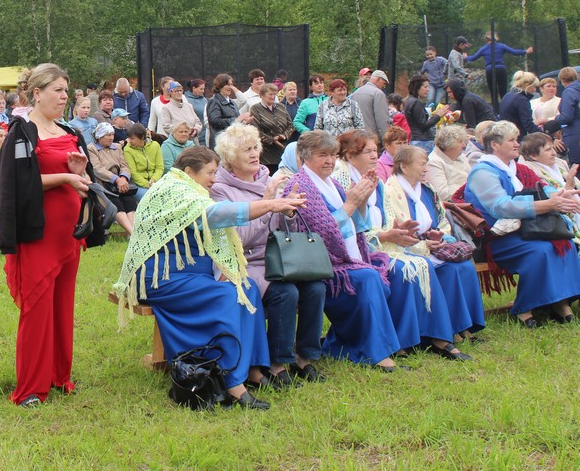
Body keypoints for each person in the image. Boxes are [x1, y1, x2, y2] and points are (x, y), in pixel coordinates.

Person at [113, 147, 306, 409]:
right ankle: (231, 381)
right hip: (162, 278)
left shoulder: (191, 191)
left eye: (216, 172)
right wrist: (270, 204)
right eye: (210, 173)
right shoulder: (173, 189)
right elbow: (215, 215)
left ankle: (251, 368)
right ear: (189, 172)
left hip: (189, 274)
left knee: (245, 288)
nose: (214, 179)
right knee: (227, 297)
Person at [0, 64, 99, 407]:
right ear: (36, 93)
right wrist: (64, 179)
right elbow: (15, 184)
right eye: (57, 90)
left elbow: (86, 178)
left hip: (69, 234)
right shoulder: (22, 133)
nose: (63, 96)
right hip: (38, 232)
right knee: (37, 308)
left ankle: (59, 375)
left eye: (66, 91)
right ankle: (31, 387)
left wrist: (78, 174)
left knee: (62, 307)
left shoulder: (69, 130)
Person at [210, 124, 327, 387]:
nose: (254, 154)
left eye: (255, 148)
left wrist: (289, 213)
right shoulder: (220, 190)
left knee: (316, 287)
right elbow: (238, 241)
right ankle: (275, 364)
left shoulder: (269, 178)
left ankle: (304, 357)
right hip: (244, 262)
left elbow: (286, 233)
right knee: (285, 293)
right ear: (230, 157)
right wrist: (267, 203)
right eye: (246, 150)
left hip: (279, 258)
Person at [282, 132, 403, 370]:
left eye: (333, 155)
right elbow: (316, 234)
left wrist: (361, 201)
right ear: (306, 157)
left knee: (386, 268)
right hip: (323, 264)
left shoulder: (333, 184)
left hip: (347, 258)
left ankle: (349, 344)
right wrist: (350, 204)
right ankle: (377, 354)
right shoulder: (299, 186)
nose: (329, 161)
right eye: (322, 155)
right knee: (367, 277)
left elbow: (358, 227)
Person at [464, 121, 580, 327]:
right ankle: (525, 307)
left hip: (525, 231)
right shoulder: (482, 172)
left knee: (566, 244)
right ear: (495, 145)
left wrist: (563, 195)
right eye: (511, 140)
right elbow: (501, 207)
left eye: (516, 139)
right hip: (497, 238)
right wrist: (545, 204)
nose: (517, 144)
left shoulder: (517, 168)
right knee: (541, 250)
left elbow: (543, 189)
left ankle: (560, 302)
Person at [383, 145, 486, 343]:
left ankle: (463, 327)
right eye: (422, 164)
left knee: (463, 266)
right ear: (404, 167)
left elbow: (443, 221)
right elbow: (394, 229)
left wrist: (440, 236)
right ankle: (450, 330)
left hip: (433, 245)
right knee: (449, 270)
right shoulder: (390, 191)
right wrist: (424, 244)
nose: (426, 169)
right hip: (408, 248)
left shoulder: (428, 190)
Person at [88, 122, 138, 234]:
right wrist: (116, 179)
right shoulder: (92, 148)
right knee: (116, 203)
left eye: (112, 134)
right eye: (108, 135)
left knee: (129, 201)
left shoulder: (117, 147)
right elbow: (98, 169)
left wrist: (123, 178)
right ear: (99, 136)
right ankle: (132, 232)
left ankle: (133, 232)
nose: (111, 137)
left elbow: (124, 165)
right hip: (103, 184)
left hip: (121, 182)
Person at [467, 32, 533, 103]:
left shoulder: (483, 48)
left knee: (493, 92)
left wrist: (466, 57)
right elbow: (514, 51)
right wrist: (525, 51)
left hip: (490, 70)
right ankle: (505, 108)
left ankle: (495, 111)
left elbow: (473, 58)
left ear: (486, 39)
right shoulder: (501, 46)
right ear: (496, 38)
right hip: (501, 69)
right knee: (503, 91)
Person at [249, 83, 294, 174]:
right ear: (262, 95)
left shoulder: (281, 107)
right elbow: (255, 130)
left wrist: (284, 136)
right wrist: (272, 140)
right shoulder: (255, 109)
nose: (273, 97)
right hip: (266, 154)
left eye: (274, 94)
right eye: (270, 94)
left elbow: (291, 126)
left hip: (283, 151)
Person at [426, 125, 472, 202]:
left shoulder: (461, 156)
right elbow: (441, 193)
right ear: (449, 144)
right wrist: (469, 187)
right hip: (454, 208)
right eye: (460, 142)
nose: (464, 145)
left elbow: (472, 178)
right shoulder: (434, 162)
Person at [404, 75, 446, 151]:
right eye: (425, 87)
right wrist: (438, 116)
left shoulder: (409, 101)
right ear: (417, 87)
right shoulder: (416, 102)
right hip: (422, 142)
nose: (428, 90)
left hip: (417, 140)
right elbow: (423, 125)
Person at [123, 123, 163, 200]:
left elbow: (159, 167)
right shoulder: (128, 150)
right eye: (129, 138)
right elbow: (133, 172)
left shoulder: (155, 145)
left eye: (132, 138)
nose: (130, 141)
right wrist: (147, 184)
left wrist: (154, 180)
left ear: (142, 137)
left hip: (155, 181)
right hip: (138, 184)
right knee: (150, 198)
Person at [206, 74, 246, 150]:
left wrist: (243, 122)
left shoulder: (232, 102)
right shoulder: (214, 101)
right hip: (221, 143)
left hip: (233, 142)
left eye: (231, 84)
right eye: (227, 85)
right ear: (220, 86)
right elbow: (215, 121)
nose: (230, 87)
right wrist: (235, 120)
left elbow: (243, 100)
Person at [350, 70, 390, 141]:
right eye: (384, 83)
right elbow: (382, 120)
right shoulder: (378, 94)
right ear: (378, 79)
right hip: (372, 138)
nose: (383, 86)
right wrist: (385, 140)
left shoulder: (355, 93)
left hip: (357, 138)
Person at [498, 71, 541, 137]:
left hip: (505, 135)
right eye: (534, 86)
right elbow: (528, 125)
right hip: (517, 137)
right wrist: (546, 136)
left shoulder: (507, 96)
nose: (535, 90)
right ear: (527, 85)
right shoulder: (522, 100)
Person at [555, 66, 580, 166]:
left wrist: (556, 118)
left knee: (576, 167)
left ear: (562, 80)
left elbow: (567, 117)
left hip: (575, 134)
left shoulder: (569, 92)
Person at [184, 79, 209, 145]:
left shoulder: (204, 99)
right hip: (194, 135)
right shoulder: (186, 100)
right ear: (194, 88)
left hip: (205, 134)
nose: (203, 91)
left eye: (204, 89)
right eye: (201, 89)